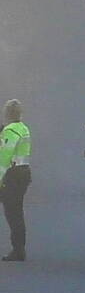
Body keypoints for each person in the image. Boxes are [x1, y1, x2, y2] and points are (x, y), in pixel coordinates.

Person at [0, 100, 32, 262]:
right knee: (16, 212)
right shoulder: (23, 128)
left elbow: (4, 157)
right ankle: (19, 249)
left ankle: (18, 250)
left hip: (12, 175)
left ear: (7, 113)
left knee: (13, 214)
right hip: (23, 173)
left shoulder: (10, 130)